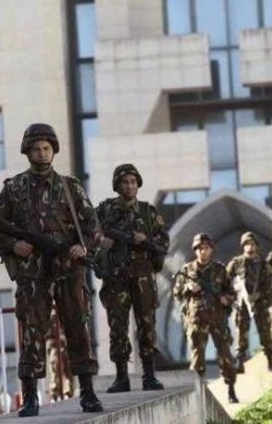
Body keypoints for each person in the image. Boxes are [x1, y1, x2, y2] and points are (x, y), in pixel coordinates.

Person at [0, 123, 103, 417]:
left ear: (54, 150)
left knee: (77, 327)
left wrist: (83, 247)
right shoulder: (14, 189)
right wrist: (14, 245)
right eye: (36, 148)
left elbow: (92, 226)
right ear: (27, 152)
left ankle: (88, 392)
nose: (41, 153)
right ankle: (30, 397)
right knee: (32, 331)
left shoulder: (70, 187)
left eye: (46, 148)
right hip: (32, 271)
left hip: (68, 268)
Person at [96, 163, 168, 393]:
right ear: (117, 185)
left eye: (133, 182)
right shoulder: (105, 210)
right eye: (125, 182)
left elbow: (163, 243)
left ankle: (149, 375)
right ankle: (121, 377)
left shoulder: (148, 212)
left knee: (147, 325)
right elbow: (87, 231)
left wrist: (145, 240)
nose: (129, 186)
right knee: (117, 326)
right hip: (116, 277)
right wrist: (100, 241)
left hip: (142, 276)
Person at [173, 233, 238, 403]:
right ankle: (197, 393)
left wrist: (226, 299)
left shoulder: (219, 270)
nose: (203, 251)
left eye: (206, 248)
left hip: (217, 318)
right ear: (195, 250)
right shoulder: (186, 270)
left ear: (211, 249)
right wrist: (188, 288)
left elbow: (231, 292)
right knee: (197, 359)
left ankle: (231, 389)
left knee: (225, 356)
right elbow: (177, 293)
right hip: (197, 319)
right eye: (199, 248)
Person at [227, 232, 272, 373]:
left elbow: (270, 285)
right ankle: (240, 363)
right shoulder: (236, 263)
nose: (249, 247)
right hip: (241, 304)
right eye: (247, 244)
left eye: (252, 244)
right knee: (241, 333)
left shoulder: (263, 264)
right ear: (243, 246)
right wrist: (234, 289)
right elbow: (224, 280)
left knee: (265, 332)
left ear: (256, 246)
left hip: (259, 303)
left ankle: (270, 361)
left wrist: (260, 295)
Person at [45, 308, 75, 401]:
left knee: (69, 364)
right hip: (54, 342)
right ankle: (55, 391)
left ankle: (68, 391)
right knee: (55, 362)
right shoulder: (51, 316)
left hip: (67, 340)